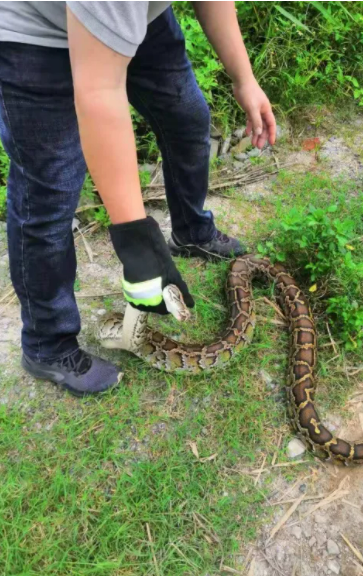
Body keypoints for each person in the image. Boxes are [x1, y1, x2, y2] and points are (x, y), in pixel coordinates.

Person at [0, 2, 276, 397]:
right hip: (37, 33)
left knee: (186, 115)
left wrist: (244, 78)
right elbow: (98, 92)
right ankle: (47, 343)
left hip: (127, 18)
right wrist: (139, 245)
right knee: (52, 184)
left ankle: (191, 231)